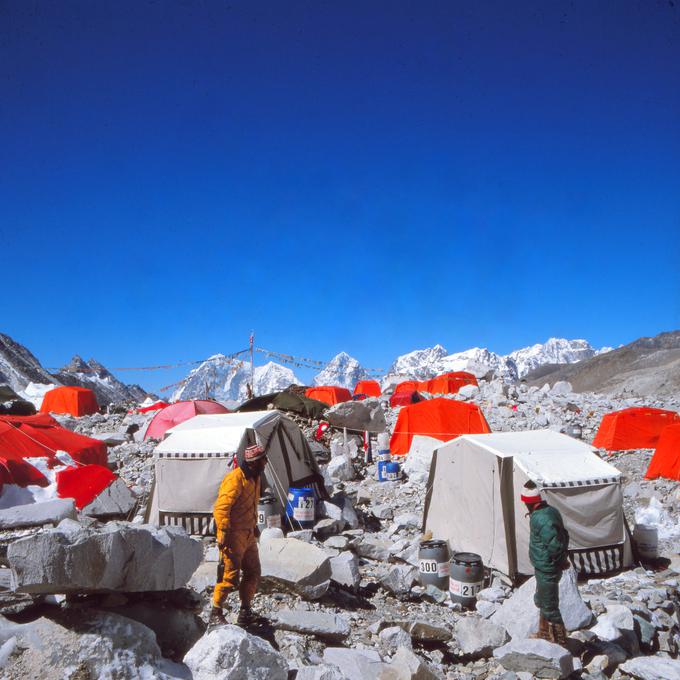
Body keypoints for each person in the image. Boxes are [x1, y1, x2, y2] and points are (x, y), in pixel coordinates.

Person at [209, 442, 268, 628]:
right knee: (229, 577)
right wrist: (224, 532)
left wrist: (254, 525)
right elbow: (221, 508)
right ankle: (215, 612)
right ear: (253, 462)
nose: (265, 462)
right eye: (263, 460)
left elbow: (251, 505)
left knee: (253, 572)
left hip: (248, 533)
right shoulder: (235, 479)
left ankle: (245, 611)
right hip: (233, 535)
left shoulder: (255, 477)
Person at [522, 480, 570, 645]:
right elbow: (563, 535)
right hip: (544, 566)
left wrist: (559, 561)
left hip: (547, 567)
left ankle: (561, 642)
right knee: (542, 600)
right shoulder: (551, 511)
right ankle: (544, 633)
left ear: (528, 503)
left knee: (549, 605)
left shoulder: (540, 519)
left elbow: (554, 545)